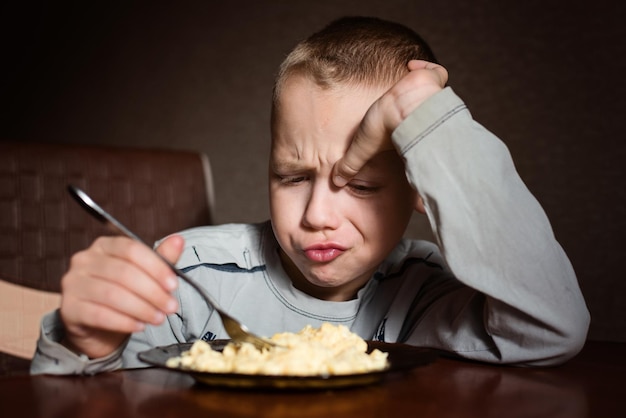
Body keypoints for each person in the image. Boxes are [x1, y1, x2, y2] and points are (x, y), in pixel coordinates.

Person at [31, 16, 589, 374]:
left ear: (422, 189)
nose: (317, 215)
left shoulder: (424, 298)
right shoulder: (188, 277)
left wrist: (432, 123)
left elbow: (550, 330)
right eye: (293, 177)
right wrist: (87, 342)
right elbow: (77, 396)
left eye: (362, 185)